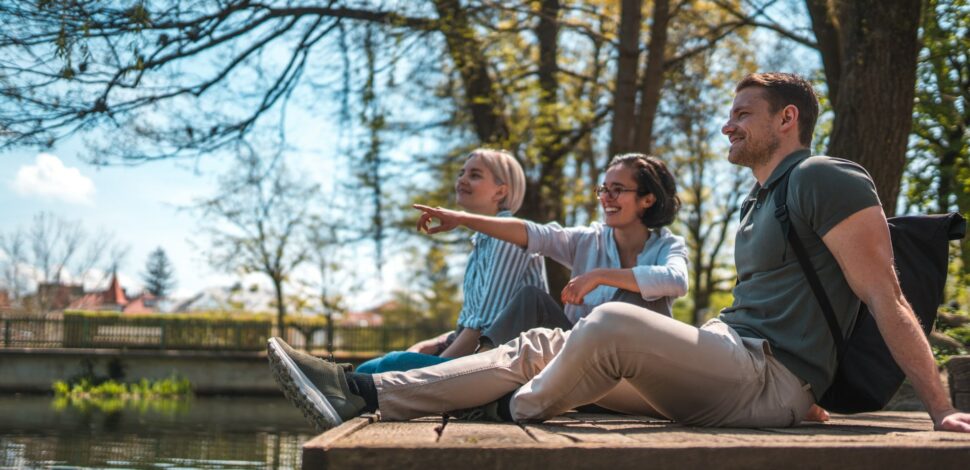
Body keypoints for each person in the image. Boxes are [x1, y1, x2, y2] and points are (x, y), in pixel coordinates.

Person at [268, 72, 970, 433]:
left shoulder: (825, 177)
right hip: (729, 361)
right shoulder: (761, 198)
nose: (727, 125)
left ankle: (510, 411)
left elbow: (886, 296)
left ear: (787, 120)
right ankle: (360, 393)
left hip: (766, 380)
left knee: (607, 323)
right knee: (545, 338)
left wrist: (939, 410)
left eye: (742, 115)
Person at [417, 153, 689, 352]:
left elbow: (676, 280)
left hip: (635, 365)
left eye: (617, 190)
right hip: (578, 359)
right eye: (604, 189)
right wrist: (463, 219)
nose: (606, 198)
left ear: (647, 199)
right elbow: (532, 233)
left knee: (636, 295)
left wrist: (600, 276)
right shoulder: (587, 240)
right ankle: (478, 370)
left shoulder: (668, 245)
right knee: (532, 299)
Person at [355, 149, 548, 373]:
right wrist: (433, 344)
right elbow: (470, 322)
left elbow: (485, 326)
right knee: (370, 368)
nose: (462, 180)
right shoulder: (480, 242)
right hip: (478, 353)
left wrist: (433, 372)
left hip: (505, 362)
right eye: (461, 173)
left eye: (474, 175)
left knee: (392, 365)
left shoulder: (509, 238)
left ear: (500, 192)